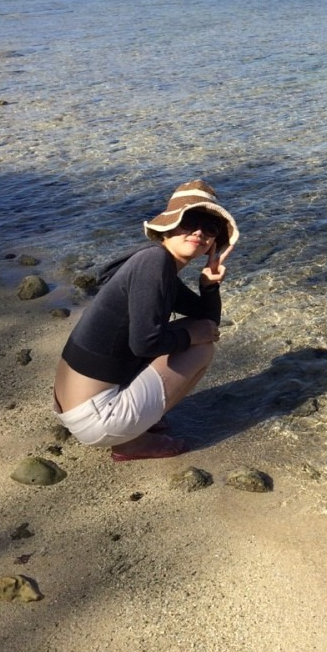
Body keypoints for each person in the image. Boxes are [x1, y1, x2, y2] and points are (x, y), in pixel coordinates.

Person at [53, 179, 238, 461]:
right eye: (190, 221)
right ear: (168, 225)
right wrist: (192, 337)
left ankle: (138, 418)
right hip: (97, 416)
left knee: (197, 331)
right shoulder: (155, 262)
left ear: (213, 242)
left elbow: (207, 323)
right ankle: (130, 442)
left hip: (75, 406)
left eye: (210, 227)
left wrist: (209, 285)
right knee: (200, 347)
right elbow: (145, 343)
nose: (199, 232)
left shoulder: (153, 262)